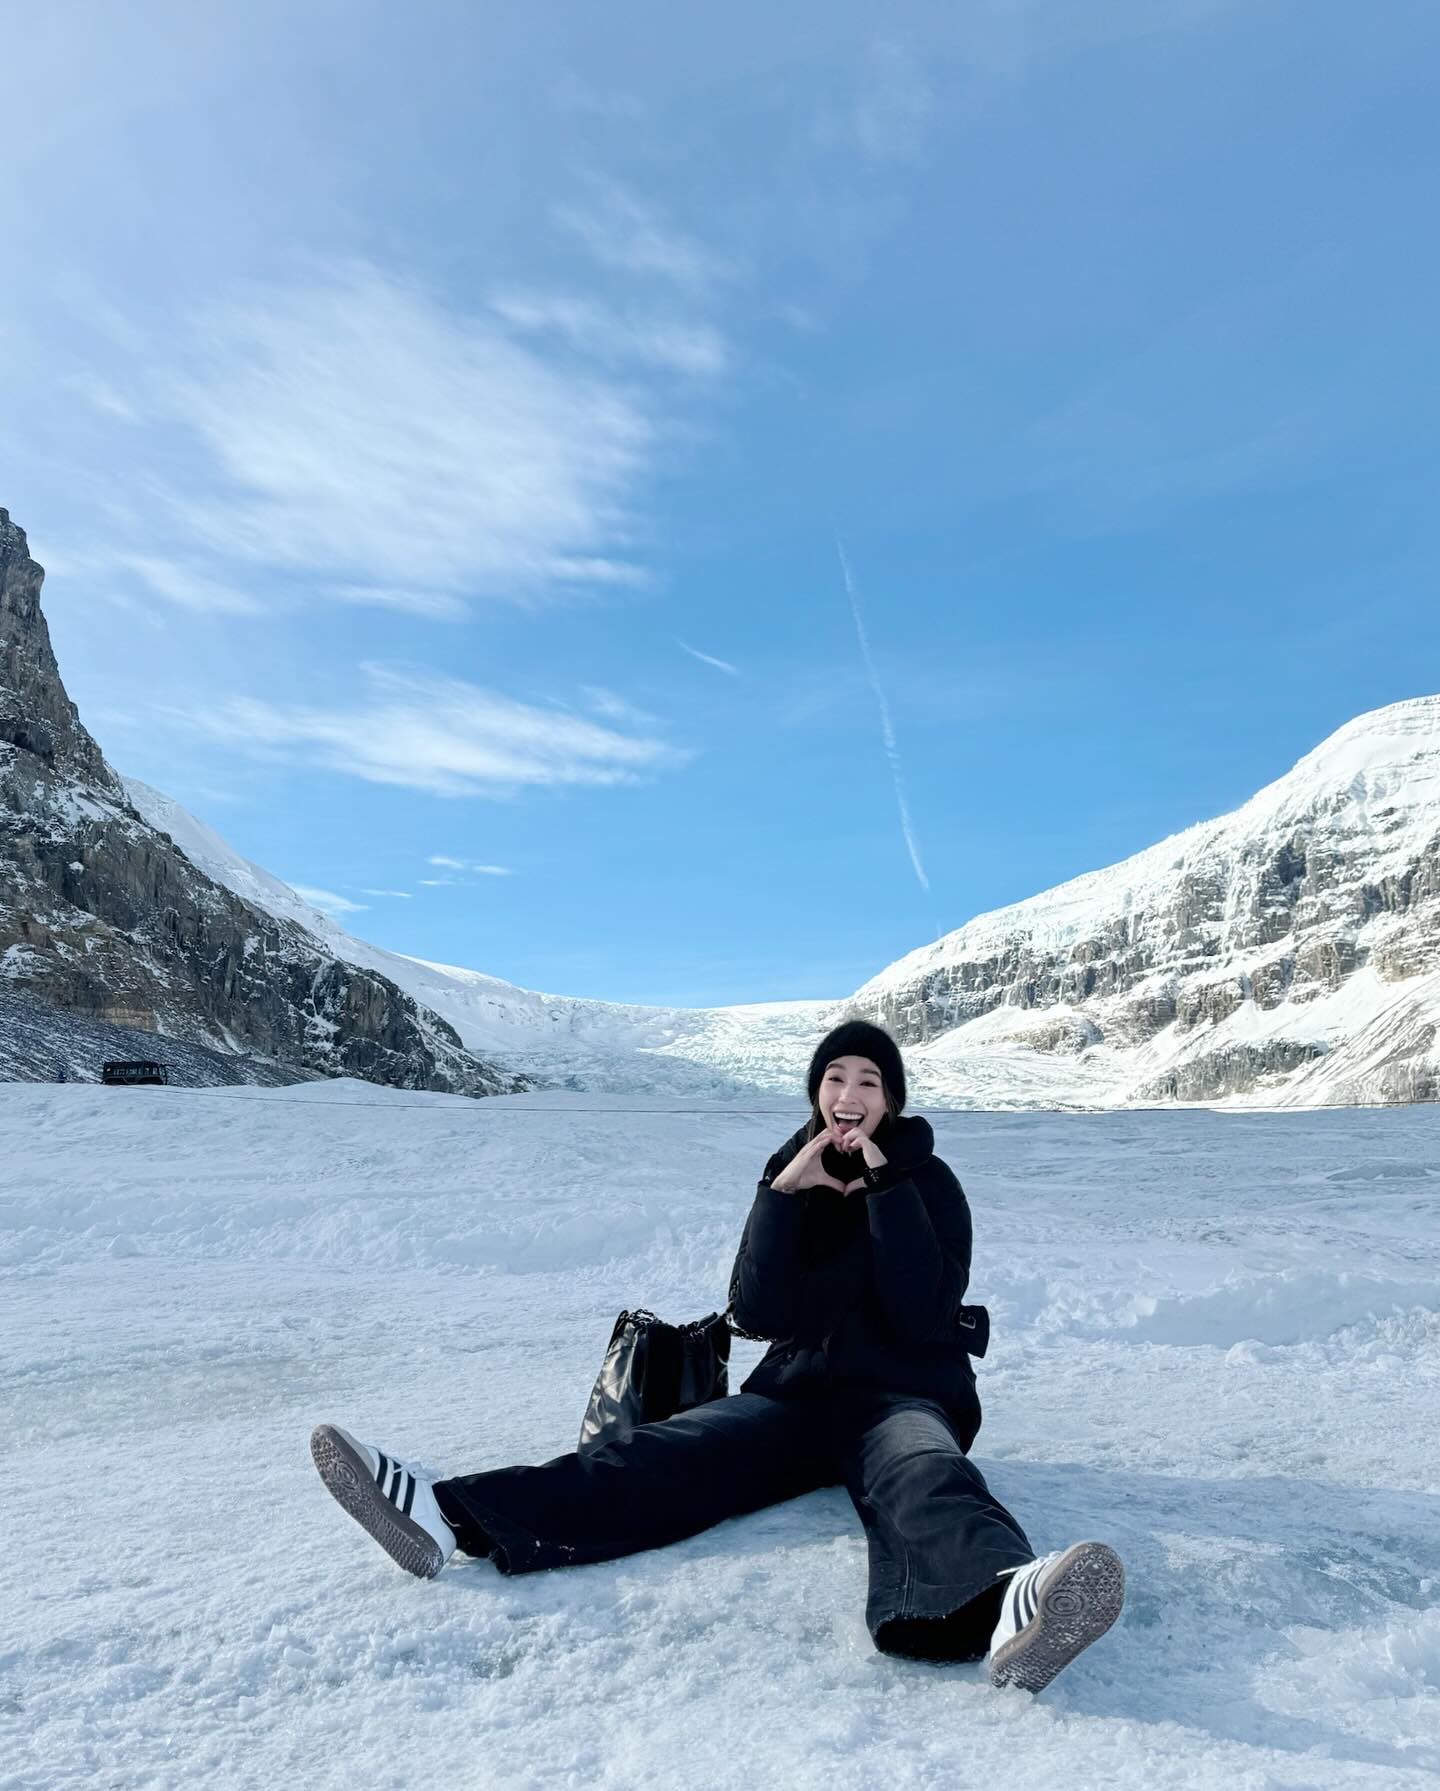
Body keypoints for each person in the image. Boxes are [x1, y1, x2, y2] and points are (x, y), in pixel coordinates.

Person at [309, 1019, 1124, 1694]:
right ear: (816, 1092)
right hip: (796, 1394)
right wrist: (782, 1196)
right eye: (834, 1077)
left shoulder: (932, 1183)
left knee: (924, 1474)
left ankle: (1010, 1597)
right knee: (661, 1453)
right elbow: (759, 1312)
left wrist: (883, 1189)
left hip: (903, 1391)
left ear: (891, 1098)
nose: (849, 1095)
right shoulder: (790, 1174)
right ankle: (446, 1514)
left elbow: (920, 1311)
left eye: (869, 1081)